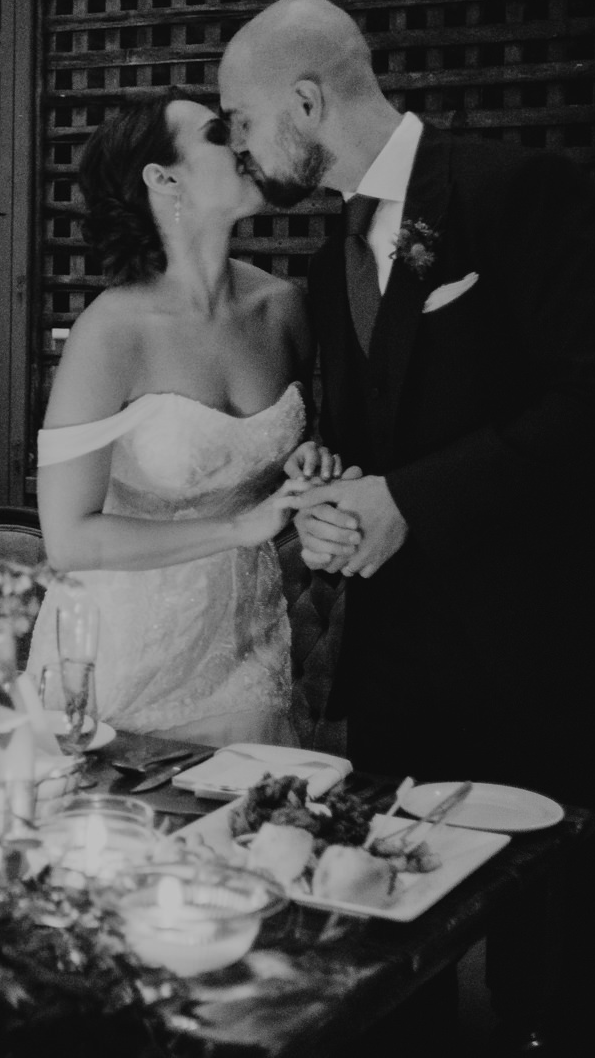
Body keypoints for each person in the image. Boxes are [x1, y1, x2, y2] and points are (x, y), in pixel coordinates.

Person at [217, 0, 595, 1052]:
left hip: (549, 655)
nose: (237, 142)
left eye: (240, 116)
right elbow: (390, 441)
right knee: (393, 962)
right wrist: (338, 483)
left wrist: (404, 500)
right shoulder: (330, 259)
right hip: (409, 667)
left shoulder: (515, 193)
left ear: (307, 97)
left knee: (558, 970)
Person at [29, 94, 362, 748]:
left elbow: (288, 450)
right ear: (163, 177)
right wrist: (240, 525)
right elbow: (69, 538)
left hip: (246, 655)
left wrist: (308, 463)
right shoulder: (111, 331)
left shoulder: (285, 309)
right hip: (116, 661)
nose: (243, 141)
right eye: (217, 133)